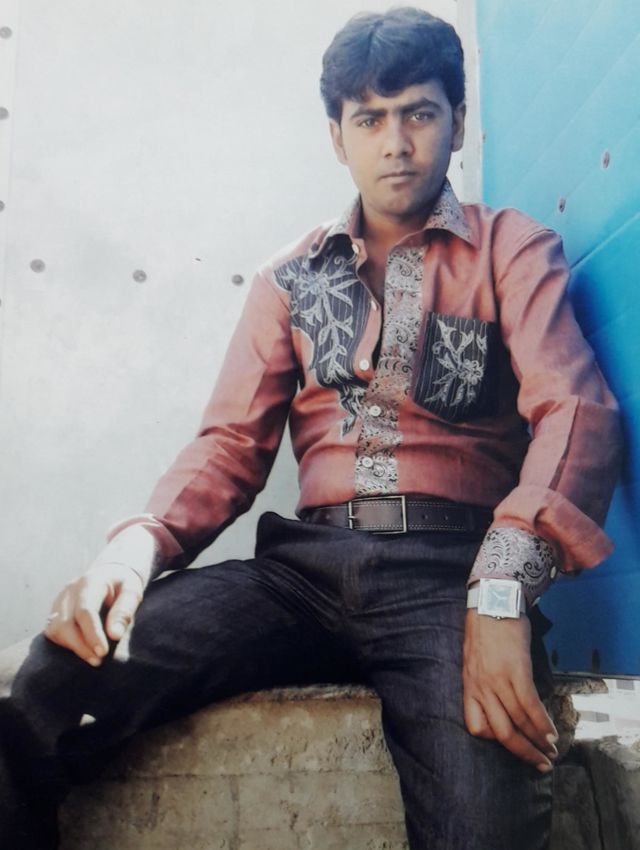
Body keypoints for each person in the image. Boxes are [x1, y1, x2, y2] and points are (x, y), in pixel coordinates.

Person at [0, 7, 622, 849]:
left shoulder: (510, 249)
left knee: (481, 824)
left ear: (458, 119)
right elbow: (229, 446)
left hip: (451, 578)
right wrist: (131, 554)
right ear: (338, 137)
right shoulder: (288, 277)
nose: (396, 143)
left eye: (419, 113)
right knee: (46, 680)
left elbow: (574, 411)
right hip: (301, 577)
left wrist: (502, 594)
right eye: (369, 119)